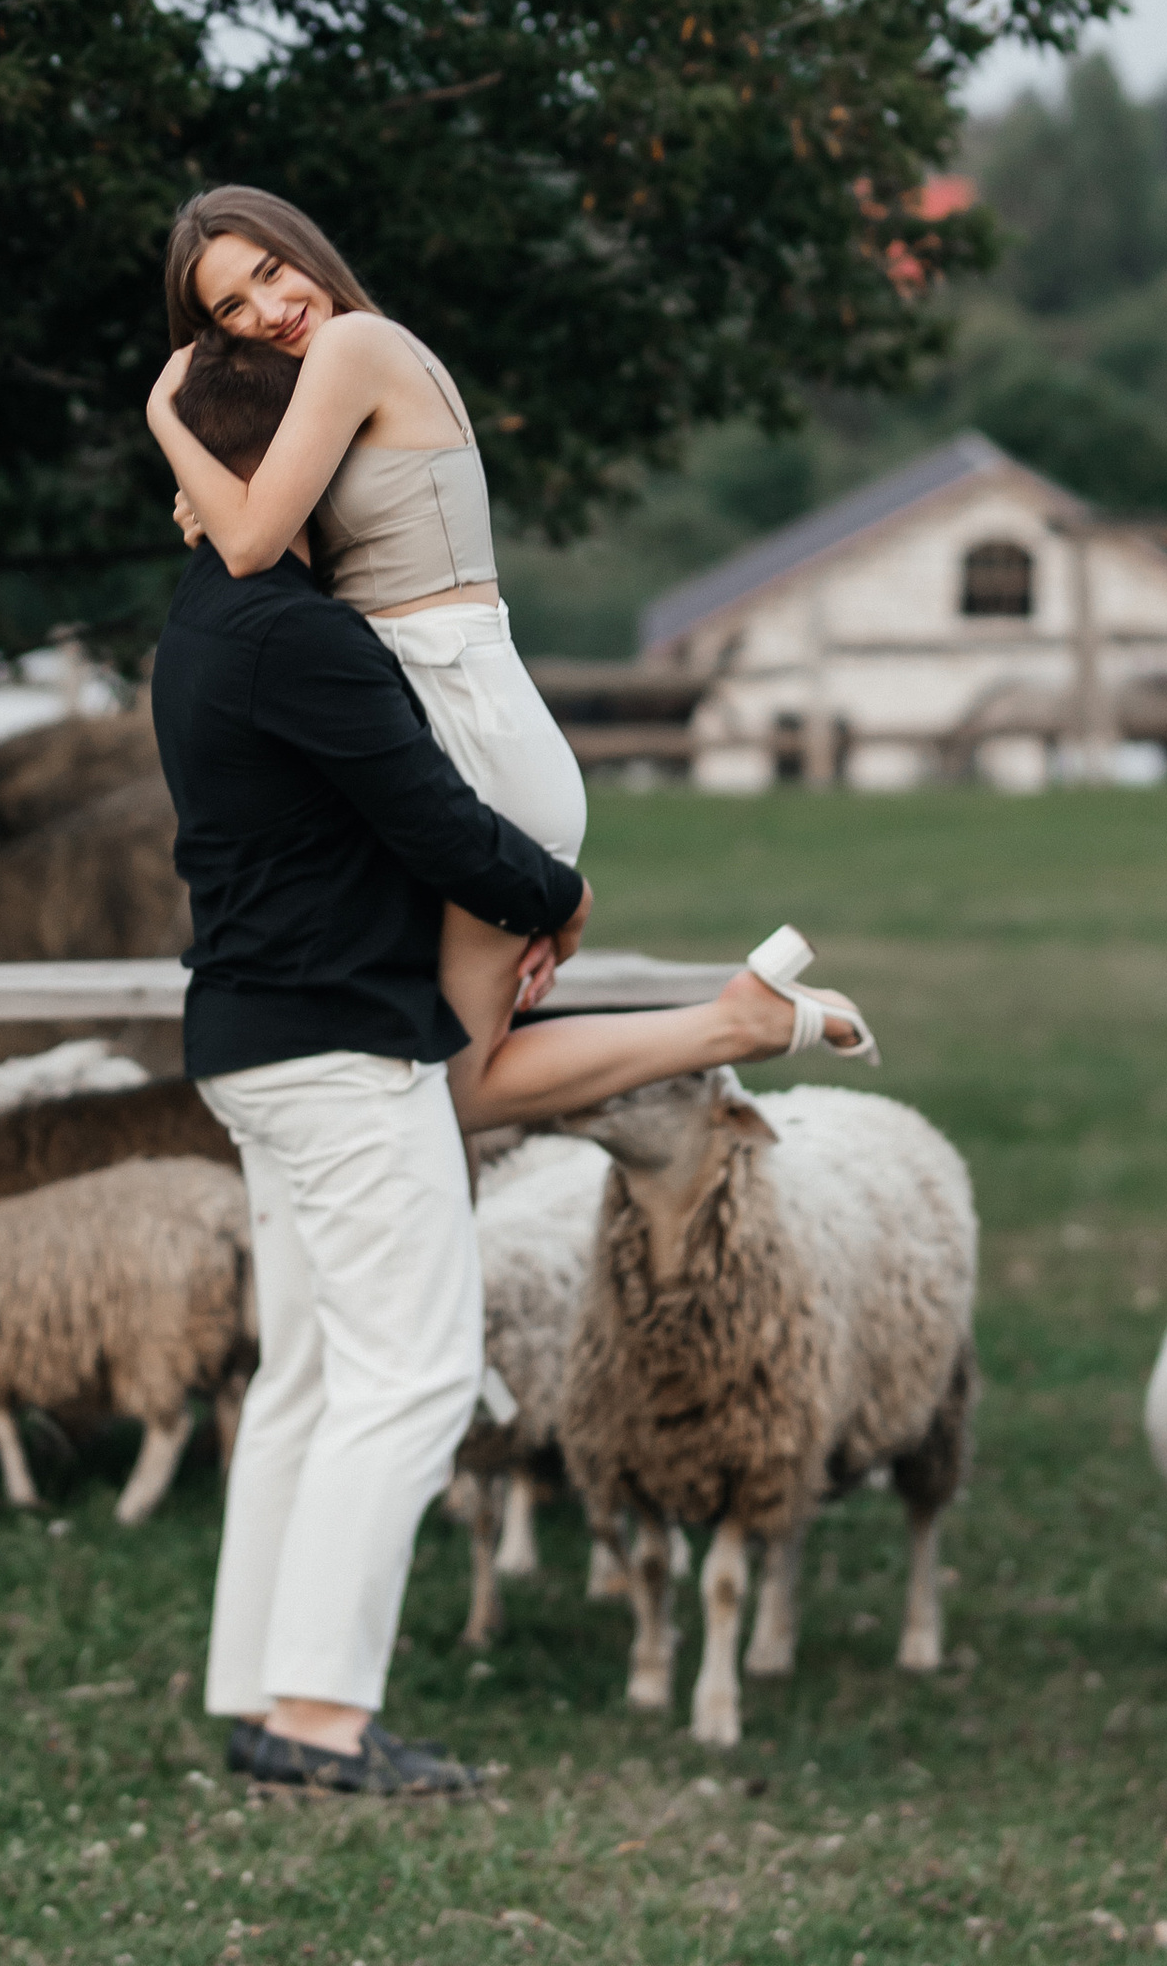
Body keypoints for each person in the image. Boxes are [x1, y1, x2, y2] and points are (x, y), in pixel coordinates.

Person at [150, 337, 858, 1802]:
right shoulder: (302, 636)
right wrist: (547, 888)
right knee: (411, 1378)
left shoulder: (202, 623)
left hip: (251, 1037)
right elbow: (433, 823)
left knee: (307, 1377)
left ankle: (262, 1696)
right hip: (338, 1052)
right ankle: (322, 1725)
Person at [146, 184, 873, 1127]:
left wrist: (168, 422)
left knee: (455, 1088)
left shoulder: (353, 345)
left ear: (306, 252)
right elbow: (252, 529)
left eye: (272, 273)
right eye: (230, 310)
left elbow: (245, 546)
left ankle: (738, 1025)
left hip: (468, 728)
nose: (268, 313)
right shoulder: (328, 374)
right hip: (452, 717)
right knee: (448, 1072)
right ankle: (723, 1029)